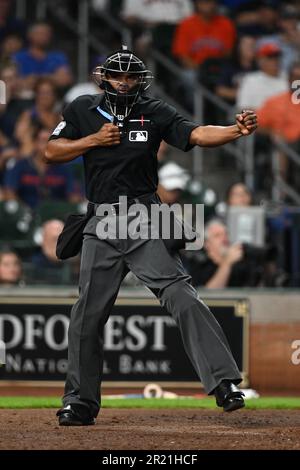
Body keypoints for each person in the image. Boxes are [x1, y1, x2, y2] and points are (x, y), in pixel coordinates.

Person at [45, 46, 257, 426]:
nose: (123, 82)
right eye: (117, 76)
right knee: (87, 315)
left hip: (142, 216)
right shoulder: (82, 108)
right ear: (104, 78)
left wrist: (234, 130)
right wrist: (92, 141)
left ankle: (224, 383)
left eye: (131, 77)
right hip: (101, 221)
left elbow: (196, 134)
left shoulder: (154, 111)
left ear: (140, 81)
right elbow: (52, 150)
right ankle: (79, 402)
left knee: (180, 294)